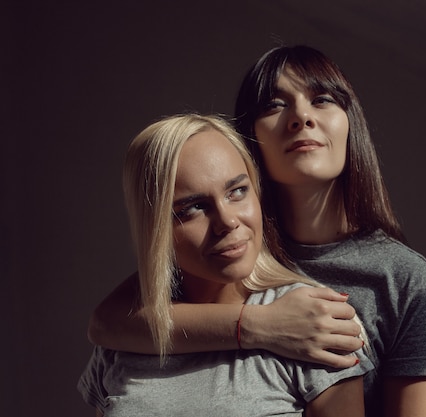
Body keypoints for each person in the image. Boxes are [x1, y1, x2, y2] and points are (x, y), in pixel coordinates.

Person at [88, 45, 426, 417]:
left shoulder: (407, 281)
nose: (301, 117)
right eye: (274, 105)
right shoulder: (229, 249)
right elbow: (108, 323)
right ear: (245, 139)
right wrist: (263, 325)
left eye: (322, 99)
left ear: (350, 121)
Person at [78, 113, 373, 417]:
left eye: (237, 191)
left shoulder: (318, 325)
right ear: (155, 228)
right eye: (194, 207)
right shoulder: (124, 338)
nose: (228, 221)